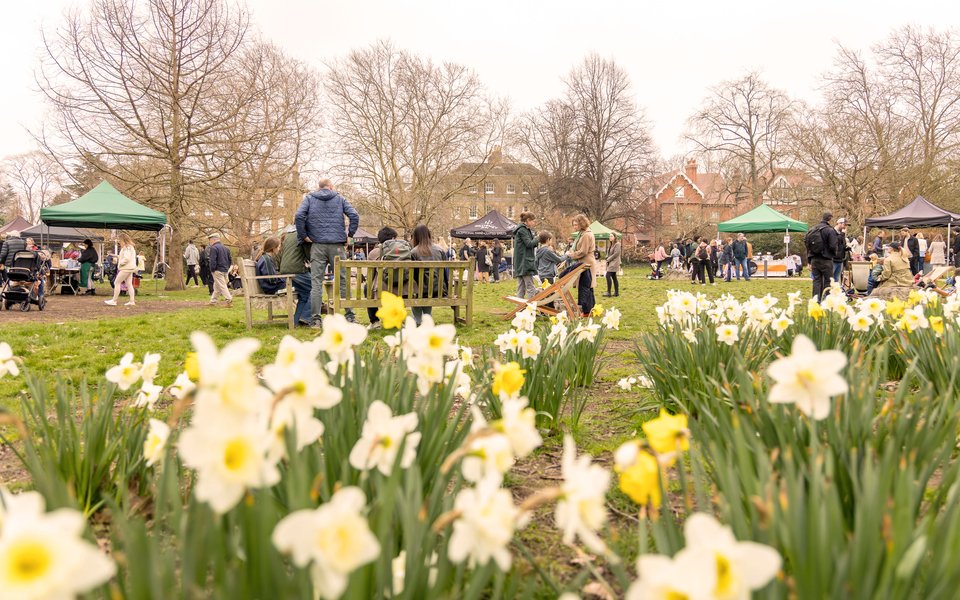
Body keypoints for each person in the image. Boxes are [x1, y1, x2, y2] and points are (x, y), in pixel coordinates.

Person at [294, 178, 360, 326]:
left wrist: (304, 236)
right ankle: (350, 316)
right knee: (343, 281)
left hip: (317, 245)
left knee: (316, 283)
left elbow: (299, 216)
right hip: (337, 245)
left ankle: (316, 319)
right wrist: (350, 235)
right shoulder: (340, 198)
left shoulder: (310, 198)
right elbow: (354, 215)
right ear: (331, 187)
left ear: (319, 188)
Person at [366, 227, 412, 329]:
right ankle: (398, 320)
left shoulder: (374, 252)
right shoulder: (403, 250)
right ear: (393, 238)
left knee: (367, 288)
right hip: (404, 290)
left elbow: (370, 276)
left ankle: (375, 321)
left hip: (382, 291)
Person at [409, 224, 447, 326]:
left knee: (416, 289)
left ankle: (418, 320)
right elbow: (445, 272)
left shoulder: (413, 252)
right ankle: (427, 318)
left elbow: (412, 275)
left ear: (416, 237)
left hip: (421, 291)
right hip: (439, 290)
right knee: (427, 288)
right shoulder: (440, 250)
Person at [278, 225, 312, 327]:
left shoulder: (288, 235)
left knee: (304, 295)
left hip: (285, 270)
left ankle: (297, 321)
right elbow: (309, 255)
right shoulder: (302, 234)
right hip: (296, 270)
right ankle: (306, 317)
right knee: (316, 286)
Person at [566, 214, 596, 316]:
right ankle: (590, 309)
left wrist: (571, 255)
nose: (574, 227)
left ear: (581, 223)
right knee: (587, 287)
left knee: (585, 287)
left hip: (586, 262)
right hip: (583, 262)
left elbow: (583, 251)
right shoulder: (582, 233)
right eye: (573, 225)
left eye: (576, 224)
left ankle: (586, 310)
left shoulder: (586, 235)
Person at [806, 212, 840, 301]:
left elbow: (807, 245)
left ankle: (816, 301)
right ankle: (827, 301)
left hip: (814, 259)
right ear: (830, 219)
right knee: (828, 281)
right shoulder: (830, 230)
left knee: (816, 281)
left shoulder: (812, 229)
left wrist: (809, 260)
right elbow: (833, 245)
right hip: (826, 259)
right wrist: (834, 254)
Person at [105, 233, 137, 307]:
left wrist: (121, 264)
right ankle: (131, 301)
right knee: (129, 284)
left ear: (123, 240)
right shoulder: (130, 247)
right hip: (130, 268)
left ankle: (114, 300)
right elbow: (125, 256)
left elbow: (126, 258)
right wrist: (115, 256)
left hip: (126, 268)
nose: (119, 242)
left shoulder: (127, 247)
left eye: (120, 240)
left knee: (117, 282)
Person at [513, 212, 538, 299]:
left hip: (521, 263)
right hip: (525, 263)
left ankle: (520, 306)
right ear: (528, 220)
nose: (534, 223)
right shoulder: (523, 230)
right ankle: (531, 306)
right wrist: (538, 238)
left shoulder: (523, 230)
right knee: (530, 287)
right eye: (533, 221)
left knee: (521, 287)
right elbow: (529, 244)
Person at [207, 233, 233, 306]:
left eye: (210, 240)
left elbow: (213, 261)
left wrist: (212, 269)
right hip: (225, 269)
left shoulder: (213, 248)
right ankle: (213, 301)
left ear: (213, 239)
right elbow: (230, 260)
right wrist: (227, 268)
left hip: (217, 270)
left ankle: (229, 299)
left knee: (222, 286)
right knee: (217, 286)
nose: (210, 242)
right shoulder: (225, 248)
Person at [833, 217, 850, 282]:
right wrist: (842, 234)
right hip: (834, 259)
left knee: (837, 278)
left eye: (846, 225)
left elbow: (841, 245)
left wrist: (846, 248)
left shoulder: (842, 234)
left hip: (840, 259)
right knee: (831, 278)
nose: (845, 227)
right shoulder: (833, 232)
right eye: (844, 225)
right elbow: (835, 242)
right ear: (839, 223)